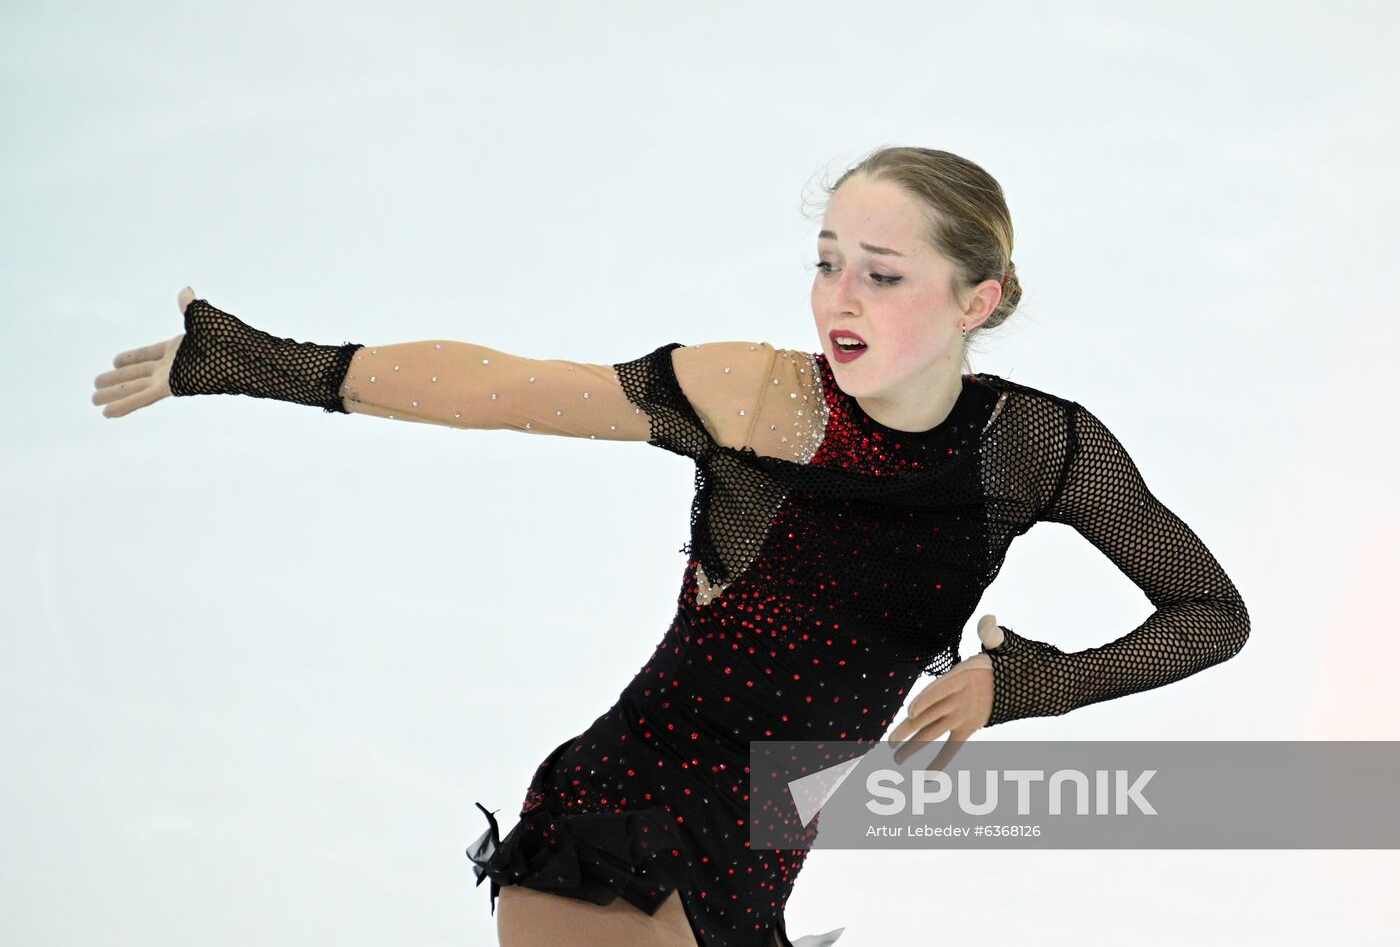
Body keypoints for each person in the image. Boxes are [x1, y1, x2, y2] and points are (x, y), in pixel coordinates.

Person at [90, 146, 1250, 947]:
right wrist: (261, 361)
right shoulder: (758, 398)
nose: (837, 296)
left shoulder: (1035, 447)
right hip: (625, 816)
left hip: (761, 845)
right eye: (826, 257)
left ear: (977, 300)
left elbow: (1209, 613)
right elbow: (501, 388)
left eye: (881, 274)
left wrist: (1023, 681)